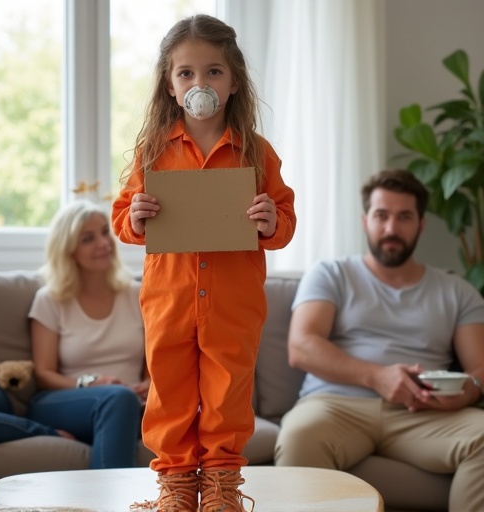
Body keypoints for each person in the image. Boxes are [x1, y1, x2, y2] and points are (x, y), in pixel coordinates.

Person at [111, 14, 296, 512]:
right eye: (186, 74)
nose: (200, 83)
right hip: (168, 300)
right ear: (170, 87)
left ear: (233, 81)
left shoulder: (257, 154)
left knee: (227, 393)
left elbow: (285, 219)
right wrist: (137, 215)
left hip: (234, 304)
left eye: (213, 72)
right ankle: (174, 486)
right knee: (168, 390)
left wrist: (268, 220)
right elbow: (122, 218)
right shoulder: (152, 152)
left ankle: (219, 488)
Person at [275, 169, 484, 512]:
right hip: (335, 405)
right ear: (364, 221)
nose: (391, 229)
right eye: (381, 216)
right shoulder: (331, 273)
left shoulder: (457, 290)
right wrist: (378, 377)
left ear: (421, 224)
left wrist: (471, 389)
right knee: (299, 437)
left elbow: (479, 366)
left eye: (404, 217)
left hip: (423, 412)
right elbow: (302, 347)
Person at [0, 200, 148, 469]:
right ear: (69, 251)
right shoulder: (50, 300)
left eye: (104, 232)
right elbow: (44, 375)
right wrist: (92, 383)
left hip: (131, 404)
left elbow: (154, 363)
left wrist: (151, 386)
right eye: (88, 239)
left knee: (125, 401)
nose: (104, 243)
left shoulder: (138, 294)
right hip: (65, 401)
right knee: (118, 398)